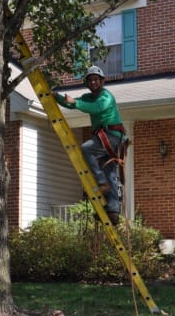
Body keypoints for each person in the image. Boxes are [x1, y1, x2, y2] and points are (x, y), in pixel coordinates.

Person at [53, 65, 127, 226]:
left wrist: (75, 102)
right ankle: (113, 211)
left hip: (112, 137)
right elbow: (74, 104)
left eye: (96, 79)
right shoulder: (88, 97)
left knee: (87, 149)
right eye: (90, 80)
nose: (93, 82)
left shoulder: (106, 96)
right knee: (110, 173)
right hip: (106, 138)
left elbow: (96, 108)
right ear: (87, 83)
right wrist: (56, 97)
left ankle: (101, 183)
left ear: (102, 81)